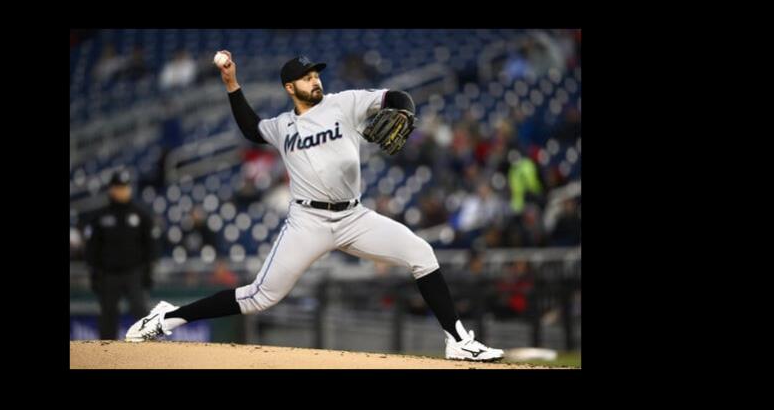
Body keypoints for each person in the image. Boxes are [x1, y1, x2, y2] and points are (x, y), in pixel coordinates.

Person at [126, 52, 503, 362]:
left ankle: (457, 340)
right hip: (308, 220)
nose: (315, 81)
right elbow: (250, 128)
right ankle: (168, 317)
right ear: (290, 87)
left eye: (316, 75)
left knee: (422, 252)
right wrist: (231, 84)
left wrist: (404, 110)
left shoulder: (345, 103)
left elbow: (393, 97)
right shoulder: (282, 125)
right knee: (260, 297)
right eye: (306, 78)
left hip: (354, 216)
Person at [83, 168, 156, 340]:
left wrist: (148, 271)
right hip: (108, 274)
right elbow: (92, 248)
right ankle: (107, 353)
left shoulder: (141, 215)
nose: (122, 191)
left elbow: (151, 245)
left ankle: (152, 350)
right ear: (112, 189)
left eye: (125, 187)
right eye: (119, 187)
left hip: (133, 272)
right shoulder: (101, 217)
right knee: (107, 315)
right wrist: (94, 273)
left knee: (140, 311)